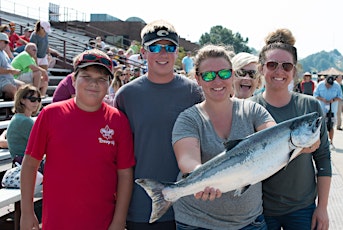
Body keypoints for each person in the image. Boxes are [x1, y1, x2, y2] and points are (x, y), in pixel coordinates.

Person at [20, 49, 135, 230]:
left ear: (109, 84)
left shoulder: (118, 121)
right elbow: (29, 164)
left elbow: (125, 174)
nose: (93, 84)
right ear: (73, 80)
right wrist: (27, 211)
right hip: (57, 222)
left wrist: (119, 221)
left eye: (101, 79)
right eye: (86, 76)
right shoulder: (51, 114)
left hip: (102, 223)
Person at [172, 44, 275, 230]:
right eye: (209, 76)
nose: (217, 81)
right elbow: (187, 159)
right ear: (198, 79)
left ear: (233, 74)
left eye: (224, 74)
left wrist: (301, 141)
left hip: (250, 223)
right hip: (196, 223)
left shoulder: (253, 111)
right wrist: (203, 181)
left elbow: (274, 137)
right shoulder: (188, 119)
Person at [114, 19, 204, 230]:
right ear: (143, 53)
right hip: (141, 206)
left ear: (177, 52)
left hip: (189, 206)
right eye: (154, 47)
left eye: (169, 47)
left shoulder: (195, 93)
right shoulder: (126, 95)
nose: (162, 53)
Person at [249, 28, 331, 230]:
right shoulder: (248, 108)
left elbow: (323, 159)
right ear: (261, 69)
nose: (279, 71)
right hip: (260, 210)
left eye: (286, 66)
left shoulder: (310, 108)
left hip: (302, 209)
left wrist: (322, 208)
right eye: (272, 65)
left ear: (294, 71)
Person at [6, 84, 41, 164]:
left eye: (38, 99)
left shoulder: (19, 118)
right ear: (22, 100)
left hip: (24, 162)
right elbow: (42, 145)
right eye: (32, 99)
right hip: (27, 164)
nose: (36, 102)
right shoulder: (24, 121)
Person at [314, 75, 343, 149]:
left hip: (332, 109)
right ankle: (320, 143)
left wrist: (333, 100)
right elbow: (315, 95)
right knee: (320, 126)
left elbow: (340, 97)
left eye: (330, 85)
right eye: (327, 85)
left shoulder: (337, 86)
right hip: (322, 109)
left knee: (331, 126)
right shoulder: (320, 85)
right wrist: (322, 99)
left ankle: (331, 141)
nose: (328, 86)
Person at [0, 32, 21, 99]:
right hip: (2, 79)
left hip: (9, 78)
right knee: (13, 90)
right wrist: (12, 71)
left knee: (24, 87)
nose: (7, 45)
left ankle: (7, 96)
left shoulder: (3, 52)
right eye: (5, 42)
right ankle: (17, 108)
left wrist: (13, 71)